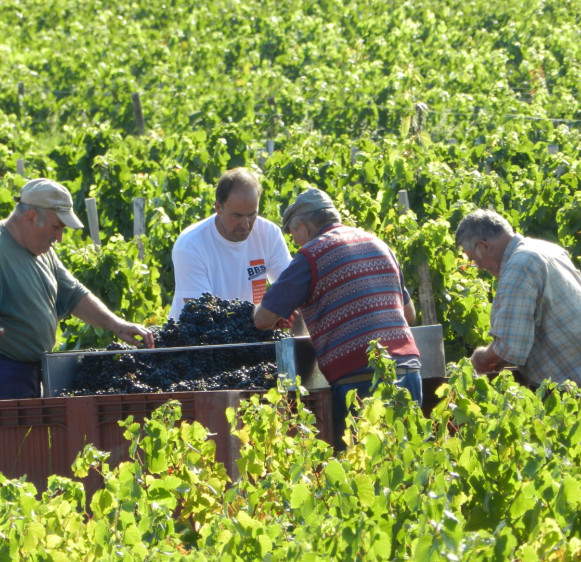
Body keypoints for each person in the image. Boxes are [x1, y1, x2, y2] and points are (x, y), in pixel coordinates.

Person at [253, 187, 422, 448]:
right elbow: (408, 314)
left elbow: (263, 319)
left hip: (359, 377)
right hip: (408, 372)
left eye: (294, 234)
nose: (296, 242)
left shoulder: (312, 255)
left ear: (306, 226)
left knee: (362, 466)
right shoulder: (377, 244)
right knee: (407, 463)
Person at [0, 178, 154, 400]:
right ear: (31, 217)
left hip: (31, 374)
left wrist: (117, 325)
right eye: (56, 227)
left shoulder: (43, 252)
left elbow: (74, 295)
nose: (59, 238)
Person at [455, 209, 581, 387]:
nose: (479, 267)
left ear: (483, 246)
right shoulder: (547, 248)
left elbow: (509, 346)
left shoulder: (519, 265)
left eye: (474, 259)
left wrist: (479, 359)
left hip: (571, 389)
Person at [169, 167, 292, 320]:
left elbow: (289, 288)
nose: (245, 224)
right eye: (237, 216)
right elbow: (201, 315)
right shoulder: (190, 244)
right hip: (200, 340)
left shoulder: (268, 234)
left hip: (249, 335)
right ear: (218, 208)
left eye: (252, 215)